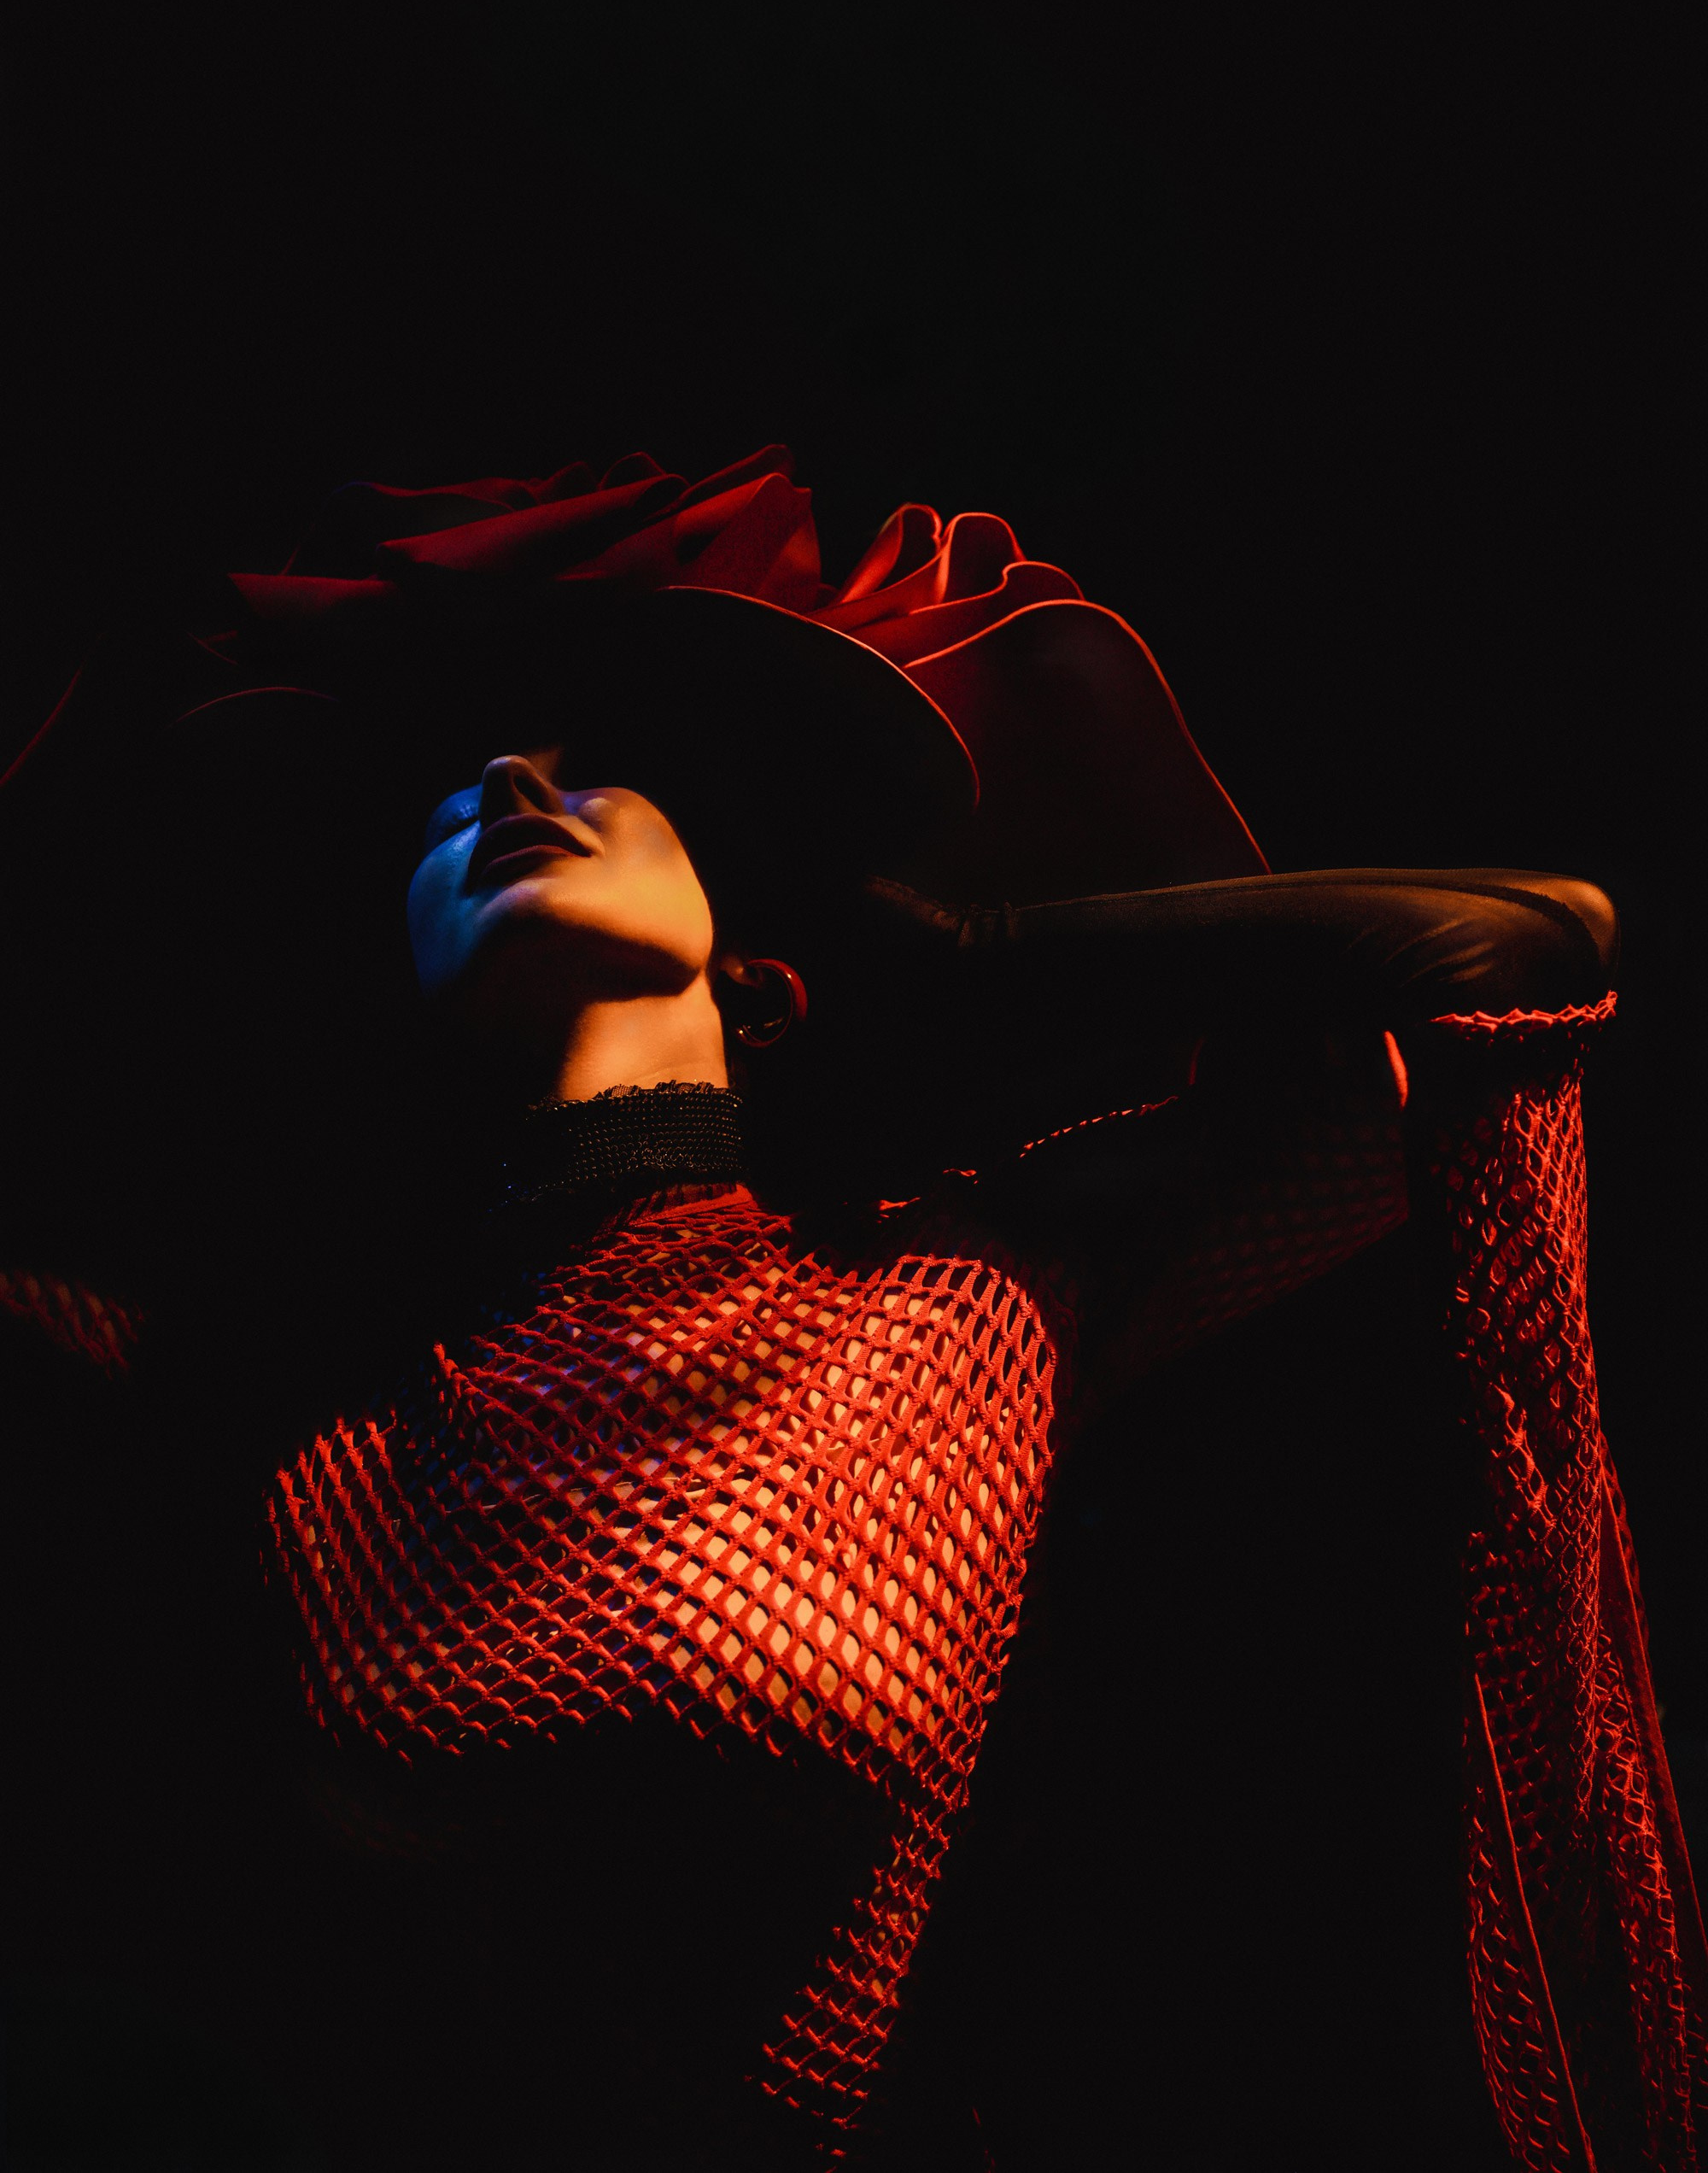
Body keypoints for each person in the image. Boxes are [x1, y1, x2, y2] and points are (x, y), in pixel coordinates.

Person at [3, 449, 1700, 2170]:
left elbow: (1519, 953)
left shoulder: (973, 1293)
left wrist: (970, 949)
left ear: (760, 966)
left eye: (592, 779)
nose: (507, 785)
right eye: (449, 813)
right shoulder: (317, 1405)